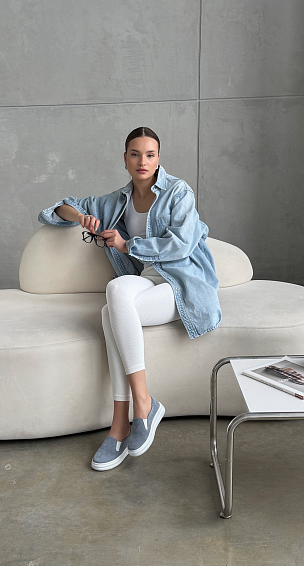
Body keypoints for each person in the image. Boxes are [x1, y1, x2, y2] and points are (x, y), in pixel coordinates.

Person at [38, 127, 221, 471]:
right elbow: (56, 209)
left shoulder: (178, 191)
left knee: (110, 312)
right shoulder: (115, 202)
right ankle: (139, 409)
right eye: (135, 154)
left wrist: (128, 245)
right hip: (148, 280)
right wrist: (81, 218)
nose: (142, 161)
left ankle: (127, 417)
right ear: (125, 159)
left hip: (182, 283)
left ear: (158, 159)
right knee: (116, 292)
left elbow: (181, 244)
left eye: (150, 155)